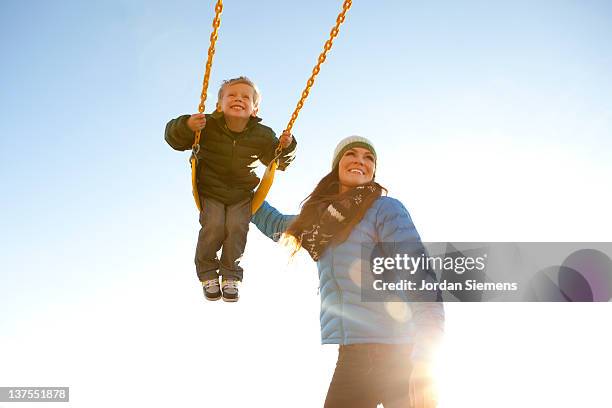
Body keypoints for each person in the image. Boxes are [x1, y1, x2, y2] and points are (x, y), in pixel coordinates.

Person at [251, 136, 444, 407]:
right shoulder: (318, 223)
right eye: (351, 154)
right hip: (353, 356)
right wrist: (237, 187)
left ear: (374, 171)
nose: (360, 161)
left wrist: (425, 360)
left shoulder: (384, 209)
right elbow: (274, 222)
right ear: (337, 165)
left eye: (369, 158)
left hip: (400, 353)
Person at [165, 76, 296, 302]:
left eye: (246, 97)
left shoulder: (263, 135)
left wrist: (287, 146)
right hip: (211, 191)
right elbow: (173, 138)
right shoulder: (206, 125)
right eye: (232, 95)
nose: (239, 99)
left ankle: (231, 275)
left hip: (241, 194)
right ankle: (207, 272)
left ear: (255, 109)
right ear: (219, 105)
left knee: (237, 227)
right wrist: (187, 125)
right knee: (214, 225)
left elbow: (279, 162)